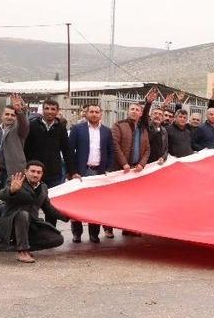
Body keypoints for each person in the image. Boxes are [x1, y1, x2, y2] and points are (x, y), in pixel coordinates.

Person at [0, 161, 67, 263]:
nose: (35, 174)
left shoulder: (43, 188)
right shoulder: (16, 180)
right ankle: (22, 251)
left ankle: (16, 246)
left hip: (32, 225)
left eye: (38, 172)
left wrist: (67, 216)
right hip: (12, 223)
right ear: (26, 171)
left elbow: (48, 208)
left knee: (57, 239)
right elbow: (1, 195)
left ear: (42, 174)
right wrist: (12, 190)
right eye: (32, 171)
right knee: (23, 214)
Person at [67, 103, 114, 243]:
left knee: (96, 205)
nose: (94, 114)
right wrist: (73, 172)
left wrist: (108, 170)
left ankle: (94, 234)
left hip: (99, 172)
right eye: (91, 111)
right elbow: (69, 152)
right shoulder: (77, 129)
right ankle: (77, 233)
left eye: (97, 112)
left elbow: (111, 151)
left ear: (101, 114)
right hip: (81, 173)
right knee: (77, 203)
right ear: (86, 113)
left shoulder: (107, 131)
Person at [23, 98, 74, 190]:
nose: (49, 112)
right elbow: (25, 148)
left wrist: (72, 171)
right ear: (42, 110)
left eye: (53, 109)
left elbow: (67, 151)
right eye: (47, 108)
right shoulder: (32, 125)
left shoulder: (61, 128)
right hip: (35, 172)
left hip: (54, 173)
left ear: (57, 111)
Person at [0, 93, 30, 190]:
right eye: (7, 114)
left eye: (13, 115)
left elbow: (24, 124)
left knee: (10, 199)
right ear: (2, 116)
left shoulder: (19, 131)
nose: (9, 117)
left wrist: (19, 111)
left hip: (12, 172)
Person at [111, 102, 150, 173]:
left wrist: (142, 164)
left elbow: (147, 149)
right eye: (132, 109)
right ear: (128, 112)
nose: (134, 111)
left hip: (137, 169)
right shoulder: (118, 125)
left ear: (141, 114)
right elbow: (115, 145)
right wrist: (124, 163)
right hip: (120, 169)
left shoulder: (143, 129)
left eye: (137, 110)